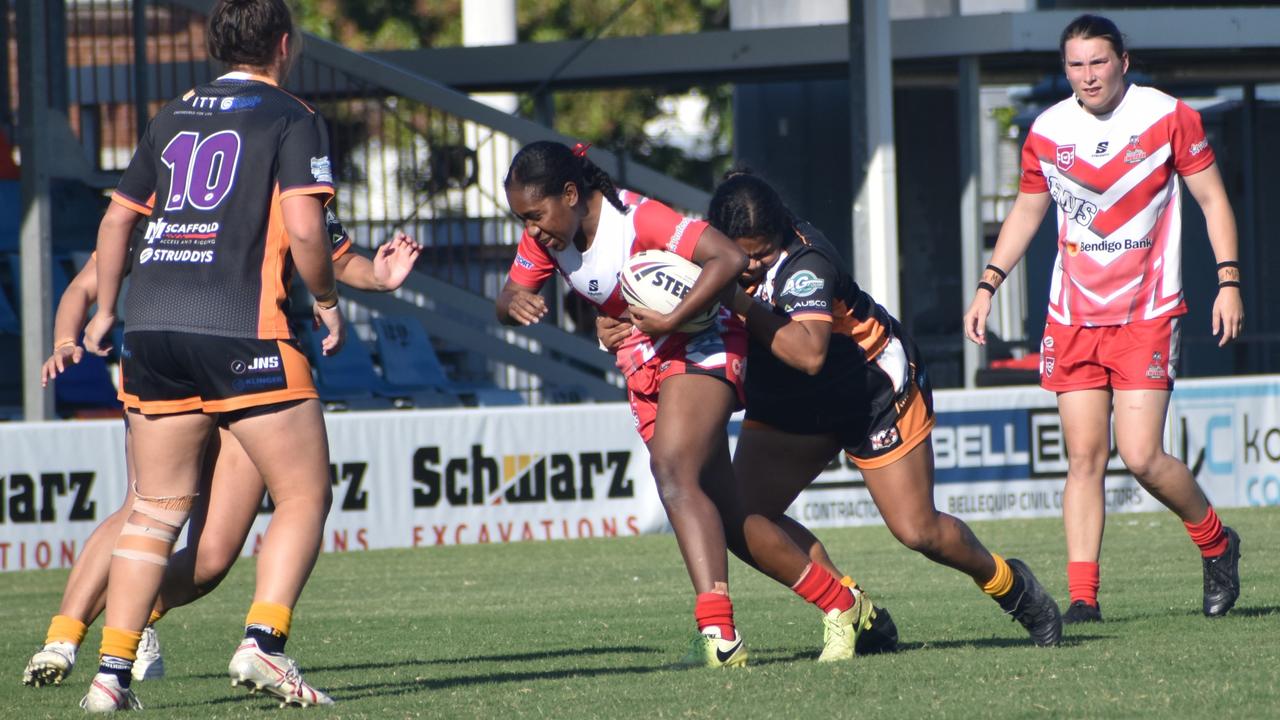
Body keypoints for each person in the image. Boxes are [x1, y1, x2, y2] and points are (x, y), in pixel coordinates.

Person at [77, 0, 345, 710]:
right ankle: (265, 642)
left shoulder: (173, 113)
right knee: (303, 493)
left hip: (154, 326)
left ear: (215, 45)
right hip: (241, 326)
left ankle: (111, 676)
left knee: (155, 511)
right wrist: (326, 302)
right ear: (284, 45)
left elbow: (115, 221)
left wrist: (106, 309)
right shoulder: (291, 116)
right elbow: (305, 230)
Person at [23, 222, 421, 689]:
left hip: (240, 360)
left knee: (211, 557)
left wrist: (375, 277)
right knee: (148, 505)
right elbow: (93, 268)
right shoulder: (175, 182)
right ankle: (63, 640)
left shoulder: (275, 170)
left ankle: (135, 619)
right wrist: (67, 338)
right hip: (188, 356)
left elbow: (325, 245)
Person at [703, 170, 1062, 647]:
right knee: (741, 516)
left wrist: (734, 298)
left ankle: (1011, 586)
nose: (748, 265)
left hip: (870, 394)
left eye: (761, 253)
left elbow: (810, 353)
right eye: (739, 253)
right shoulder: (703, 252)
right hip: (791, 399)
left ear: (782, 230)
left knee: (919, 531)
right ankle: (852, 608)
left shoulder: (806, 261)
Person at [963, 14, 1243, 624]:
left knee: (1141, 455)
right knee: (1084, 457)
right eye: (1075, 65)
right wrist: (988, 284)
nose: (1087, 76)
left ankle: (1217, 542)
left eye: (1098, 62)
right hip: (1072, 317)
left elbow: (1213, 199)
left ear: (1123, 60)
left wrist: (1228, 281)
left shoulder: (1168, 115)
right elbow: (1027, 212)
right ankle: (1084, 598)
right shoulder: (1046, 130)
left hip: (1147, 311)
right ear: (1064, 69)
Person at [497, 140, 768, 668]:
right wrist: (514, 301)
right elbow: (505, 298)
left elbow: (729, 258)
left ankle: (719, 636)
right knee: (730, 513)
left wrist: (671, 318)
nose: (529, 229)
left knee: (670, 469)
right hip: (647, 358)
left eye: (534, 215)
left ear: (571, 193)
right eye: (520, 218)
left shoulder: (641, 219)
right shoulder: (548, 239)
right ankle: (844, 603)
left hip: (703, 340)